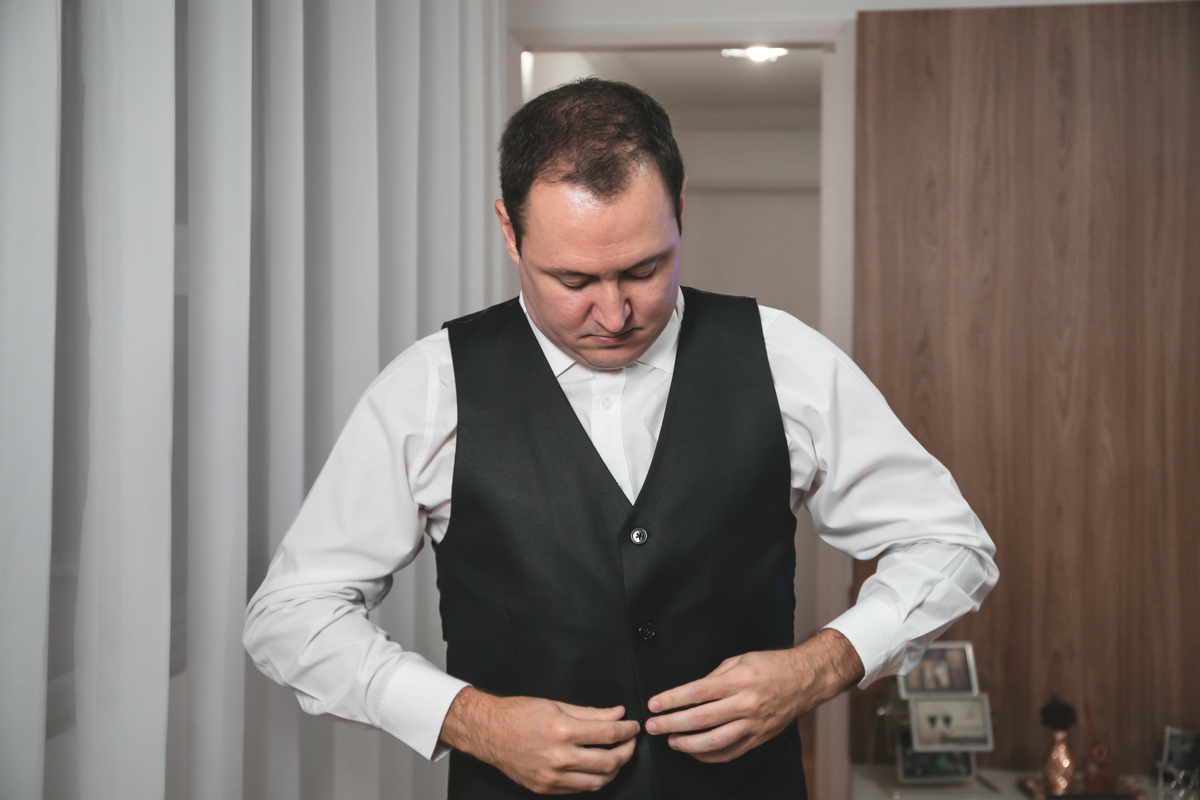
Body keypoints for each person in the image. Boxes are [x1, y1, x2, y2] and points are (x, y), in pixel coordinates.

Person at [244, 78, 998, 798]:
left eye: (644, 269)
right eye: (572, 282)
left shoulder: (783, 358)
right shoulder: (430, 387)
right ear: (509, 230)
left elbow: (950, 546)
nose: (613, 314)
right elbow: (290, 617)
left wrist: (821, 667)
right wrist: (469, 718)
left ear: (680, 208)